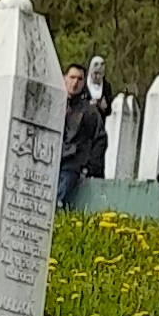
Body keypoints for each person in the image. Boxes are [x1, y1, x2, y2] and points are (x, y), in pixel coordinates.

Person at [58, 54, 109, 207]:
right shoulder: (53, 103)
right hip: (50, 160)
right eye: (72, 77)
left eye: (80, 79)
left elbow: (100, 139)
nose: (75, 83)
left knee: (59, 203)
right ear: (64, 78)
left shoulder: (90, 112)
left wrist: (90, 168)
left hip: (72, 166)